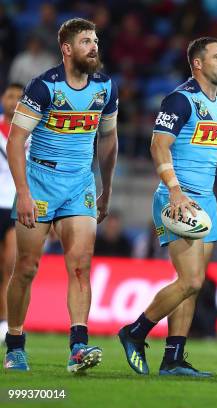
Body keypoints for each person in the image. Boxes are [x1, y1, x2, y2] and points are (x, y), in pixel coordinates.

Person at [118, 36, 217, 377]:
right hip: (178, 197)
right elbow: (159, 146)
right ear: (198, 63)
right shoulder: (180, 99)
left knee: (194, 282)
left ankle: (173, 359)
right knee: (189, 280)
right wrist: (173, 189)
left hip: (206, 200)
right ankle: (135, 332)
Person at [3, 18, 118, 373]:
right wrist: (22, 192)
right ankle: (16, 344)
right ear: (67, 49)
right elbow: (16, 141)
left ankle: (78, 348)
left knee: (81, 266)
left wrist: (106, 189)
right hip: (39, 182)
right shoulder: (43, 87)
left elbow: (109, 139)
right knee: (26, 267)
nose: (94, 46)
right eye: (86, 41)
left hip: (79, 185)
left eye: (95, 40)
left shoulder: (106, 87)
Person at [0, 84, 23, 342]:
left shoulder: (30, 132)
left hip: (15, 204)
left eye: (19, 97)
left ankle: (6, 323)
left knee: (10, 266)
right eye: (10, 96)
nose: (14, 101)